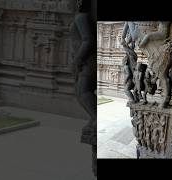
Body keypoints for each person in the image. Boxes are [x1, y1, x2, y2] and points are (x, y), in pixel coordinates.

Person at [71, 0, 96, 176]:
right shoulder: (82, 16)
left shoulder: (81, 16)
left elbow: (87, 39)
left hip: (87, 61)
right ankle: (95, 118)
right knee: (81, 91)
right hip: (88, 60)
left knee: (81, 91)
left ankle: (95, 118)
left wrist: (77, 60)